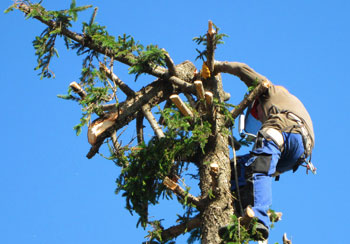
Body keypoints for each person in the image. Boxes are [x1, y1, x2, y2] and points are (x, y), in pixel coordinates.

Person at [214, 62, 315, 241]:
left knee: (260, 170)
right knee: (242, 167)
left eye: (258, 115)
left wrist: (217, 66)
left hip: (283, 131)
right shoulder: (289, 102)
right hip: (297, 152)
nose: (260, 118)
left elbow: (242, 69)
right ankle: (242, 218)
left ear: (257, 104)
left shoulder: (269, 91)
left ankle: (259, 219)